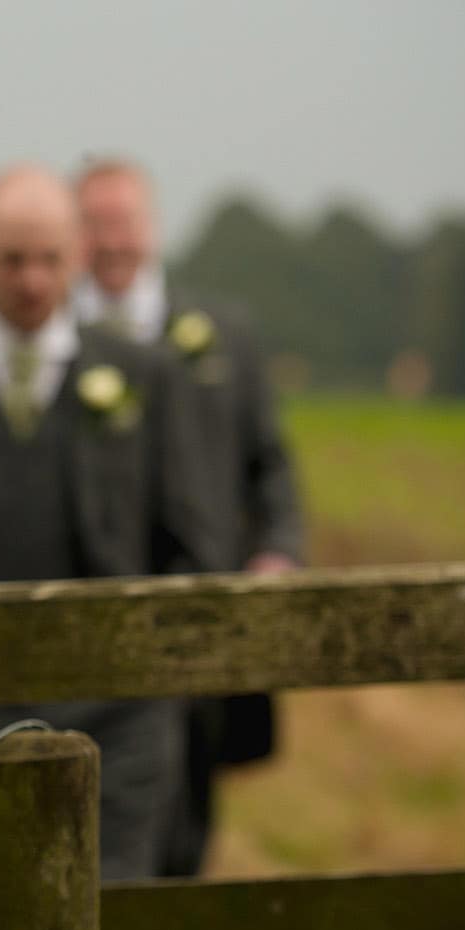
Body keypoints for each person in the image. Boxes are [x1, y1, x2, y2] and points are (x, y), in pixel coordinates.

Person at [0, 164, 224, 884]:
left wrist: (159, 695)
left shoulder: (146, 380)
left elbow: (191, 548)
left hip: (116, 732)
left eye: (50, 260)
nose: (31, 283)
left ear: (80, 255)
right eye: (12, 260)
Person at [73, 158, 306, 878]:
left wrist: (277, 554)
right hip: (82, 623)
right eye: (95, 224)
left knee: (186, 816)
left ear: (154, 227)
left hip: (200, 616)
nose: (112, 242)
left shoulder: (223, 335)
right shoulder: (53, 340)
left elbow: (269, 464)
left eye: (125, 222)